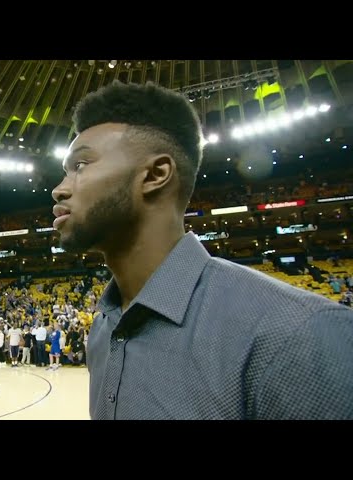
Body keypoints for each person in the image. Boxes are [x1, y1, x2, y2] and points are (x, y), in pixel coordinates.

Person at [51, 80, 353, 420]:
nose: (59, 189)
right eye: (65, 171)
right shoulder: (103, 328)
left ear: (155, 175)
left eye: (80, 165)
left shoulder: (299, 333)